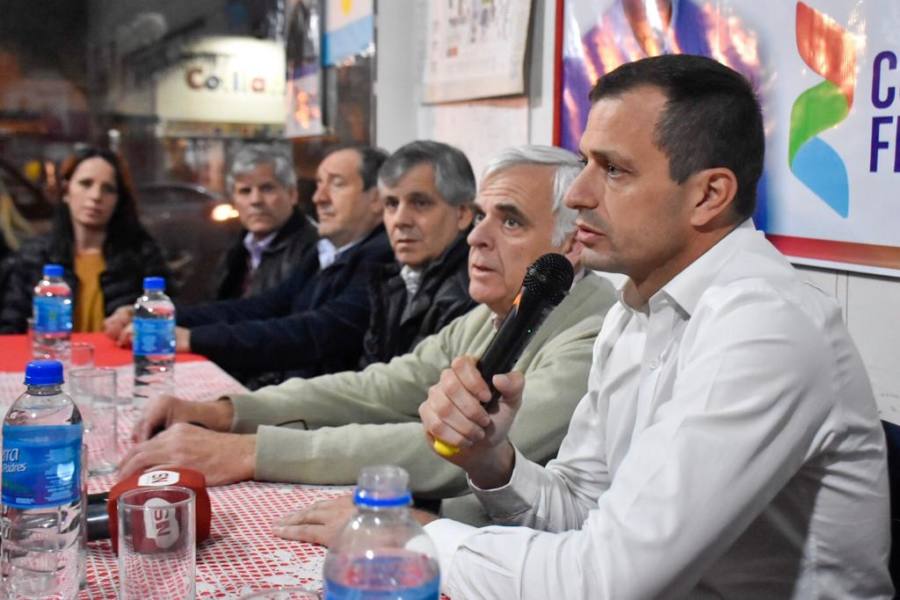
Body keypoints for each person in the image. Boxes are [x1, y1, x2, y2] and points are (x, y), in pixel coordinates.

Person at [400, 55, 892, 598]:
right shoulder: (635, 311)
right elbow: (585, 509)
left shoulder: (767, 326)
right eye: (587, 162)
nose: (577, 194)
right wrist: (493, 461)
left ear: (709, 195)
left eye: (613, 170)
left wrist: (417, 541)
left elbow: (609, 582)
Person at [117, 146, 617, 529]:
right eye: (482, 215)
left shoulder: (591, 333)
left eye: (509, 221)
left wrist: (251, 452)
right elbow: (379, 388)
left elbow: (449, 452)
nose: (475, 237)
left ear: (572, 243)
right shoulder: (495, 312)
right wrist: (230, 413)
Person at [107, 144, 392, 386]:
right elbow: (260, 306)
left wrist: (192, 338)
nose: (319, 197)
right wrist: (161, 315)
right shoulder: (328, 251)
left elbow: (314, 332)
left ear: (377, 199)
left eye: (337, 184)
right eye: (319, 184)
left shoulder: (381, 259)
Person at [0, 147, 169, 333]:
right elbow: (10, 327)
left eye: (108, 189)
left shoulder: (141, 254)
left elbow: (173, 313)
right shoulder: (34, 256)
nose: (96, 196)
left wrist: (136, 314)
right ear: (66, 190)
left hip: (119, 352)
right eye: (86, 184)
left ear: (119, 200)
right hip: (51, 351)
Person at [361, 140, 477, 367]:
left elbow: (418, 384)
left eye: (420, 203)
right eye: (391, 204)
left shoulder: (474, 291)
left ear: (463, 213)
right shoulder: (393, 279)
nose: (400, 220)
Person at [213, 143, 318, 300]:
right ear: (234, 200)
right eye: (245, 191)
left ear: (292, 194)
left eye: (267, 188)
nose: (256, 200)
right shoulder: (234, 251)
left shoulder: (314, 249)